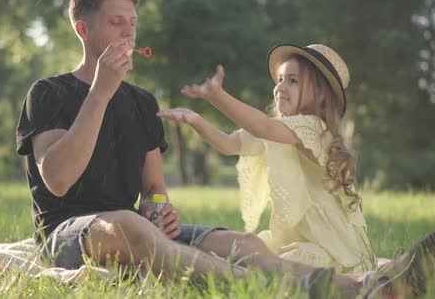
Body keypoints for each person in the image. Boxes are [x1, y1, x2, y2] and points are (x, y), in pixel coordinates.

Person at [15, 0, 435, 298]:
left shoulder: (142, 102)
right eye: (116, 23)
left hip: (135, 227)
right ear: (83, 30)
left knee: (243, 243)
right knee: (129, 223)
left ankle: (366, 287)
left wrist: (160, 211)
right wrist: (99, 94)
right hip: (67, 235)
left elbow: (153, 191)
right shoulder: (48, 93)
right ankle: (294, 290)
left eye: (133, 22)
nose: (129, 33)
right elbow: (57, 179)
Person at [158, 44, 376, 273]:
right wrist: (197, 121)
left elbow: (263, 126)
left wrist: (217, 96)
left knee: (260, 265)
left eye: (293, 81)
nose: (281, 87)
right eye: (279, 79)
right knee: (248, 250)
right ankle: (181, 257)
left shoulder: (316, 129)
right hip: (293, 242)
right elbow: (229, 144)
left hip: (328, 250)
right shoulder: (278, 132)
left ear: (320, 94)